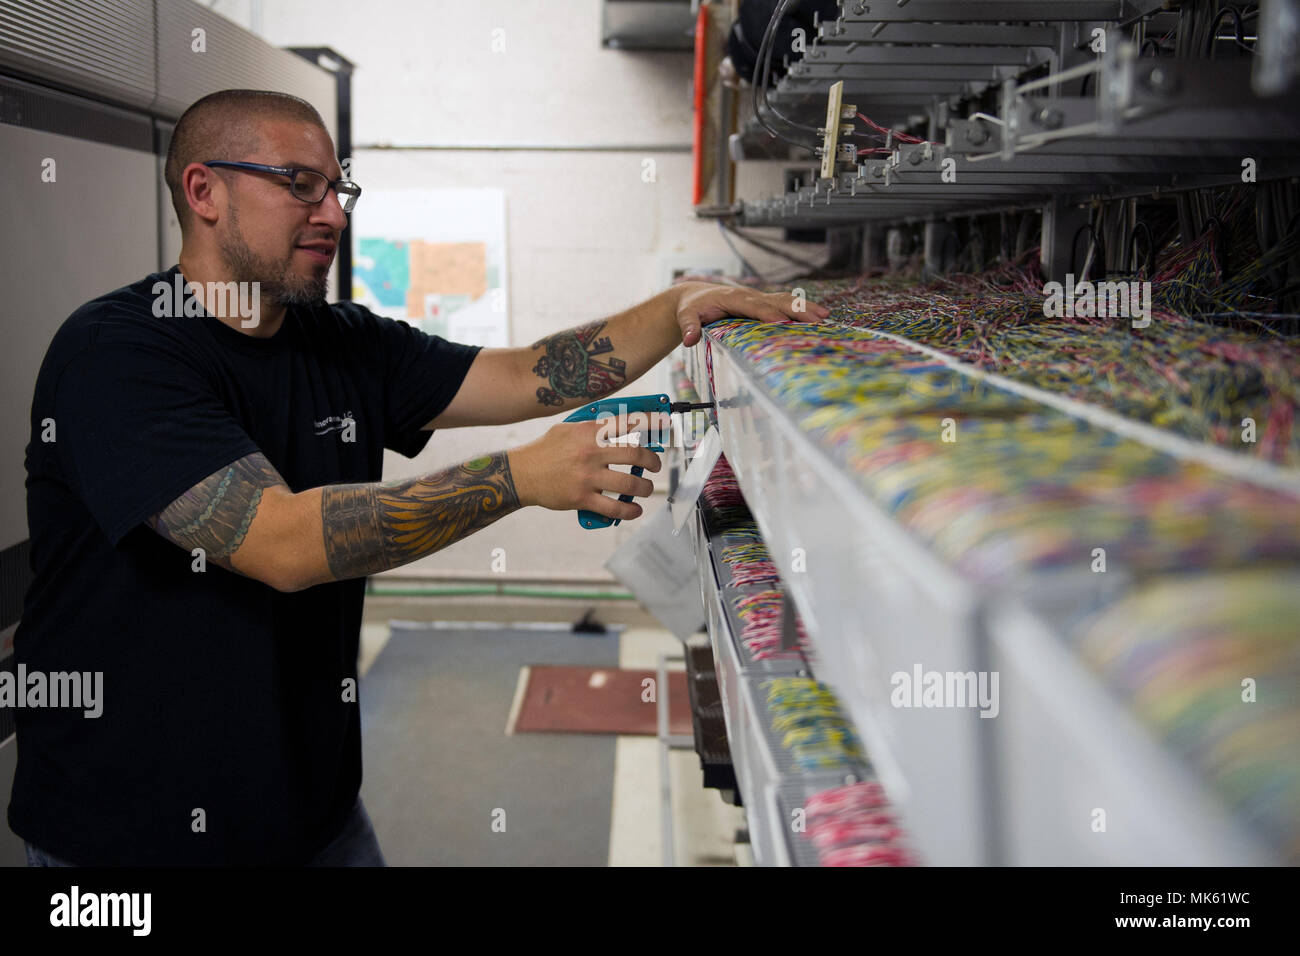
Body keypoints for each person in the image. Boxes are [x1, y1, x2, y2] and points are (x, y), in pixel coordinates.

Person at [7, 88, 828, 866]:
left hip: (311, 814)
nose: (332, 214)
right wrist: (520, 478)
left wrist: (681, 302)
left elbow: (527, 375)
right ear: (204, 190)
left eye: (339, 189)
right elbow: (282, 543)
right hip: (131, 835)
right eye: (301, 186)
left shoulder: (341, 341)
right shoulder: (118, 356)